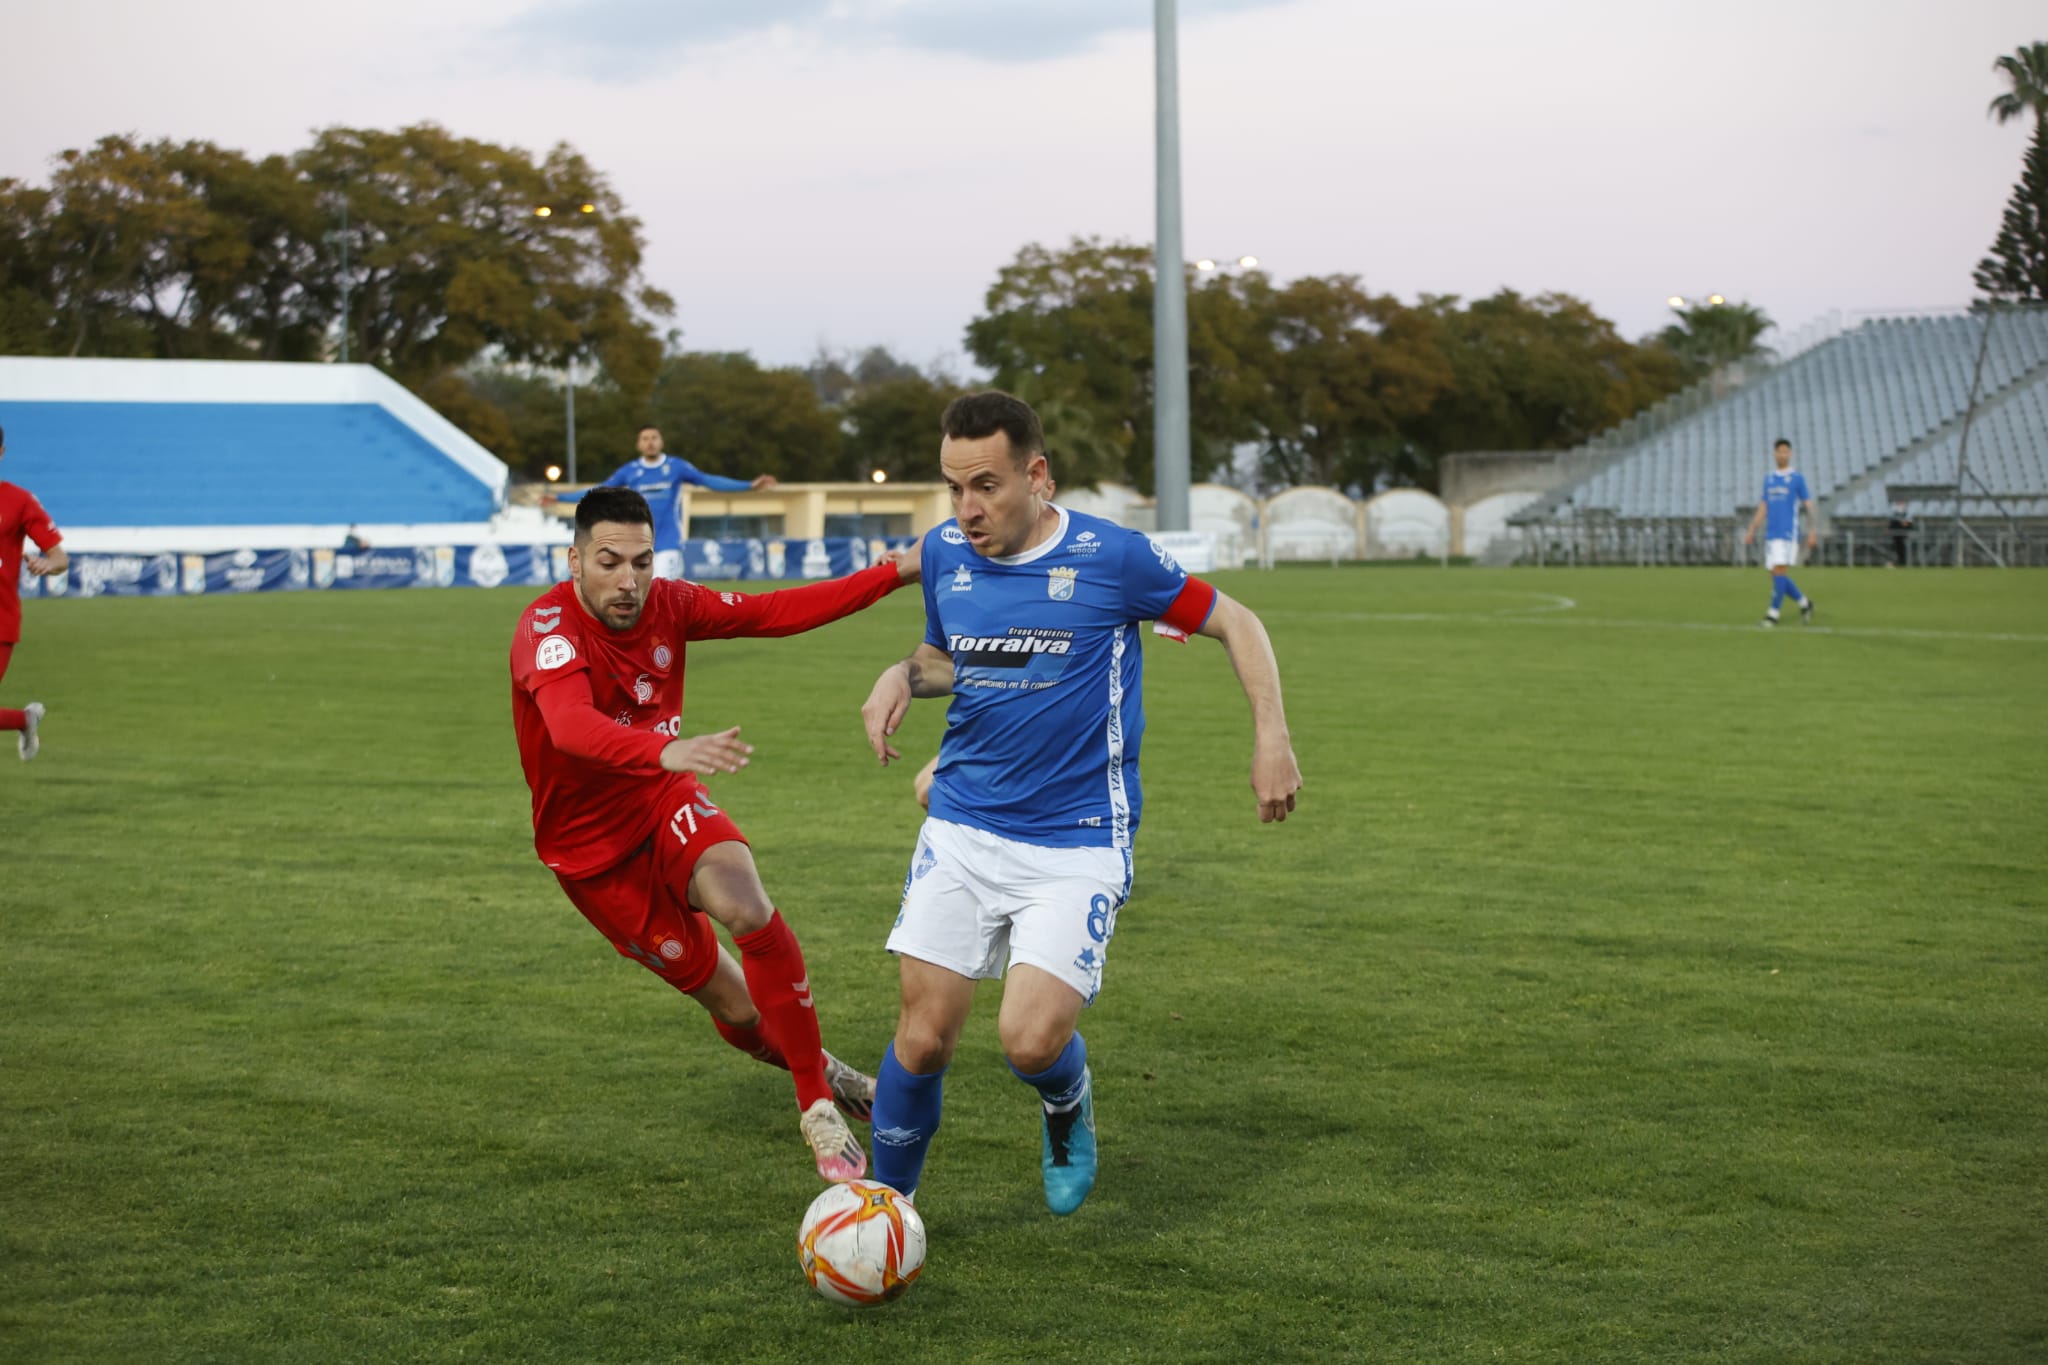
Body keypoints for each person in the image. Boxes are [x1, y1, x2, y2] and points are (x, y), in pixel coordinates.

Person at [856, 391, 1302, 1215]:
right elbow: (956, 655)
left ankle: (1065, 1099)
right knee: (922, 1037)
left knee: (1029, 1041)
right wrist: (903, 674)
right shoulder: (948, 553)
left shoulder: (1113, 558)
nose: (966, 508)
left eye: (985, 485)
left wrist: (1271, 736)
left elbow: (1237, 621)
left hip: (1077, 837)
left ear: (1038, 476)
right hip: (964, 823)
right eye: (953, 487)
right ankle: (884, 1208)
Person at [510, 485, 920, 1182]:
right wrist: (663, 747)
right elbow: (571, 727)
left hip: (660, 795)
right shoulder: (547, 629)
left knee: (745, 905)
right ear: (574, 560)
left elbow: (775, 611)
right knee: (738, 1008)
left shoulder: (670, 604)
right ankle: (827, 1070)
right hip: (592, 856)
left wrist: (894, 573)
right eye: (610, 562)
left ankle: (816, 1104)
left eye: (642, 562)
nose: (629, 580)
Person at [551, 426, 777, 580]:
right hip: (639, 544)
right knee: (646, 593)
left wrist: (748, 485)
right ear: (639, 444)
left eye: (654, 438)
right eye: (645, 439)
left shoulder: (677, 467)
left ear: (661, 442)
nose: (650, 442)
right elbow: (598, 491)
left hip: (669, 543)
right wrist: (559, 498)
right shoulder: (630, 471)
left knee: (657, 590)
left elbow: (709, 480)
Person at [0, 422, 68, 761]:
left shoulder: (19, 501)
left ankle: (24, 720)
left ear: (1, 453)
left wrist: (47, 564)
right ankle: (24, 720)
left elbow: (60, 557)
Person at [1741, 438, 1817, 627]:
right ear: (1774, 454)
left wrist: (1812, 530)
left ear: (1790, 454)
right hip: (1772, 533)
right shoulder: (1769, 479)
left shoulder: (1797, 478)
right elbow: (1763, 506)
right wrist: (1752, 529)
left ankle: (1772, 615)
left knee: (1780, 572)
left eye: (1785, 451)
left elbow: (1808, 505)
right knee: (1776, 575)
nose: (1782, 455)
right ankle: (1805, 603)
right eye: (1779, 451)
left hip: (1788, 533)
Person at [1889, 501, 1915, 568]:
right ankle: (1898, 562)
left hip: (1905, 535)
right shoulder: (1895, 514)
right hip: (1896, 536)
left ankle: (1904, 562)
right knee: (1897, 549)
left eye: (1902, 504)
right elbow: (1892, 524)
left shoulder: (1907, 514)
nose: (1900, 506)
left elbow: (1908, 524)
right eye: (1899, 504)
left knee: (1904, 549)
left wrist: (1904, 523)